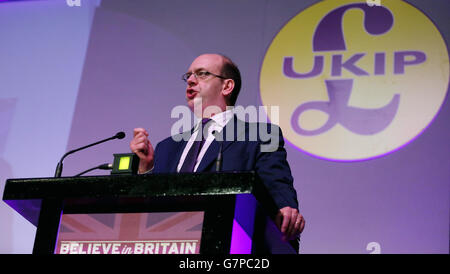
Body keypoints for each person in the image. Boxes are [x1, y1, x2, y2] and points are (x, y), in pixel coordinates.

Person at [130, 53, 305, 250]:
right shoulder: (167, 147)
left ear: (227, 86)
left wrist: (286, 209)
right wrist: (146, 169)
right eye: (188, 76)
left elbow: (277, 183)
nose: (190, 80)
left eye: (202, 74)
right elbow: (150, 211)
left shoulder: (261, 135)